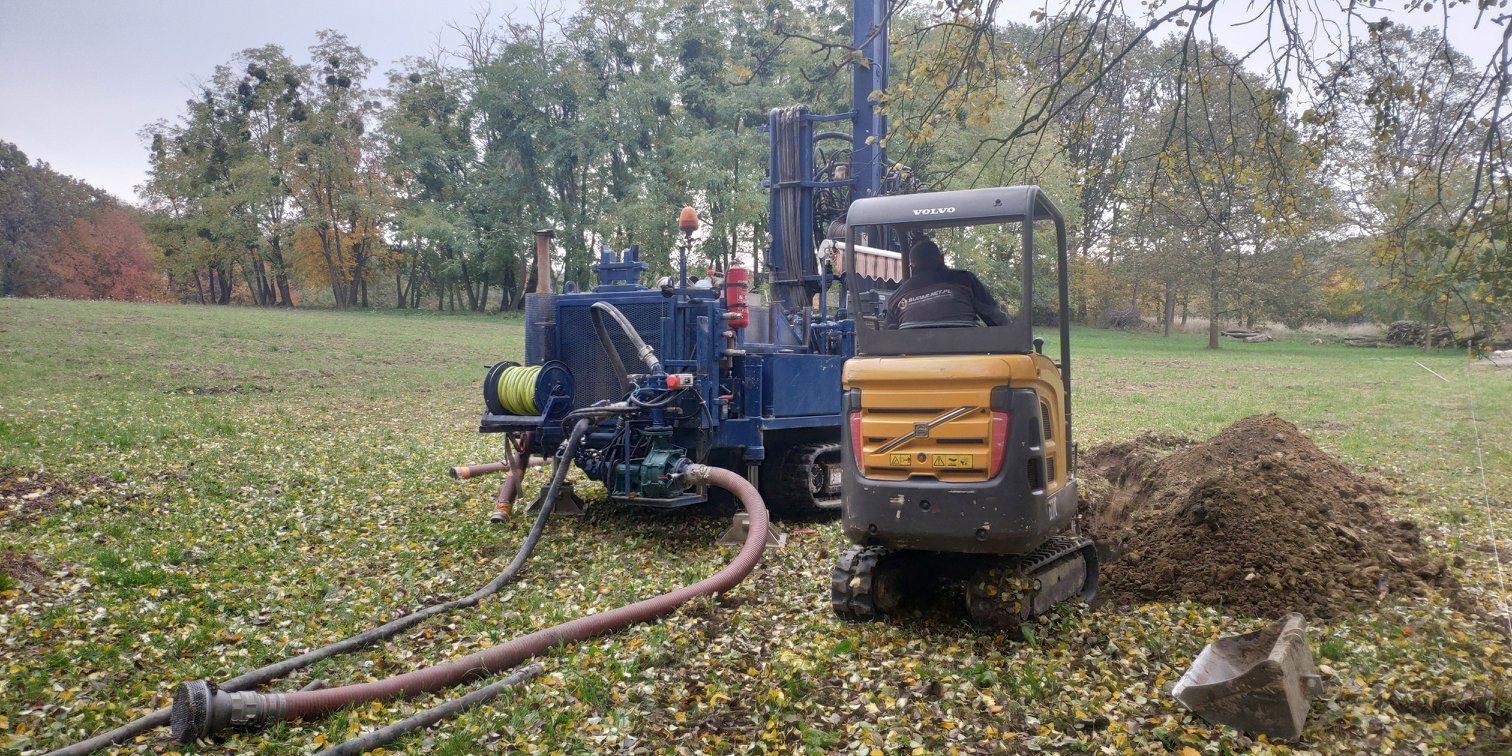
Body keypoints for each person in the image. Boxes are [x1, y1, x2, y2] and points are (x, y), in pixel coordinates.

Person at [882, 238, 1010, 329]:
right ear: (942, 259)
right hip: (966, 357)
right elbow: (995, 319)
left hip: (914, 362)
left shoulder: (896, 298)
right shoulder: (965, 280)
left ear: (912, 267)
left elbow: (888, 338)